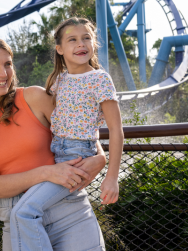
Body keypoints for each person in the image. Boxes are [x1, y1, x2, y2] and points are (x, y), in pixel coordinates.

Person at [0, 36, 108, 251]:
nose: (4, 74)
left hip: (68, 211)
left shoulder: (33, 97)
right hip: (16, 219)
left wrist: (100, 156)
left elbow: (80, 132)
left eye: (8, 64)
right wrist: (47, 173)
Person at [9, 17, 124, 250]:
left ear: (93, 44)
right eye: (72, 39)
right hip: (56, 157)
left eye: (86, 38)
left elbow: (116, 130)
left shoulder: (99, 79)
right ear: (60, 49)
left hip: (77, 159)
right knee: (24, 210)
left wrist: (111, 177)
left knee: (24, 212)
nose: (80, 44)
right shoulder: (58, 81)